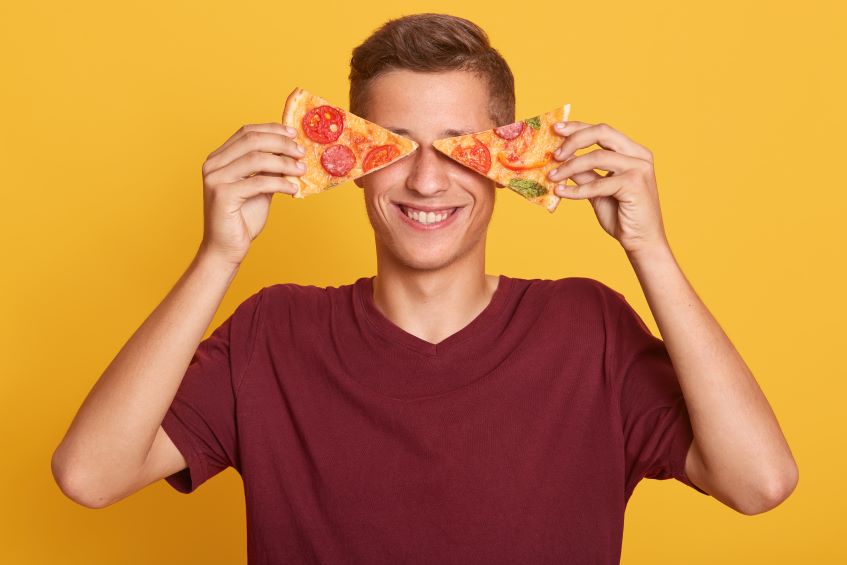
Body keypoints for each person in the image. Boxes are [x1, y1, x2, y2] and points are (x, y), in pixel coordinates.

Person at [52, 13, 798, 564]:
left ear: (509, 157)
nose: (426, 178)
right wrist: (218, 254)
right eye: (393, 145)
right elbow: (90, 474)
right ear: (349, 159)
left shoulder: (587, 327)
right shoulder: (272, 333)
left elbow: (758, 480)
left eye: (459, 147)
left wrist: (649, 248)